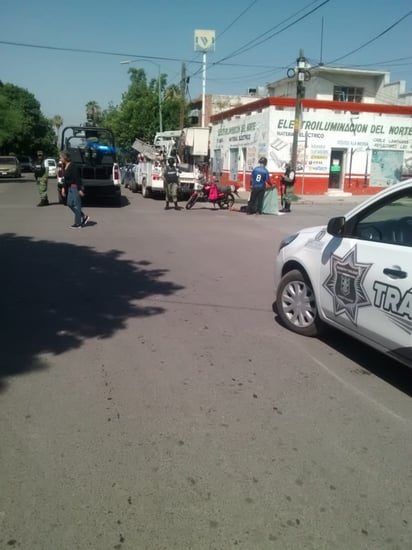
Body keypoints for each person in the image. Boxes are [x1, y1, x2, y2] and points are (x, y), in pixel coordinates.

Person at [59, 150, 90, 228]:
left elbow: (77, 178)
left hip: (75, 187)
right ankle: (84, 216)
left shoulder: (73, 166)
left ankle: (78, 224)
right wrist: (63, 188)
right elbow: (65, 179)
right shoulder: (64, 166)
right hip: (69, 188)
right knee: (69, 204)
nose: (60, 159)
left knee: (77, 205)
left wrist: (79, 189)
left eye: (61, 158)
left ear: (65, 158)